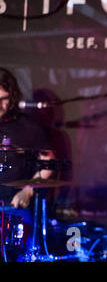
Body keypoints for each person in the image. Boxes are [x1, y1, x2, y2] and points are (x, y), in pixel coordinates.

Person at [0, 68, 55, 209]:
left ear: (12, 97)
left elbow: (48, 162)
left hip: (10, 207)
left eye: (3, 99)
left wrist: (28, 190)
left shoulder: (27, 126)